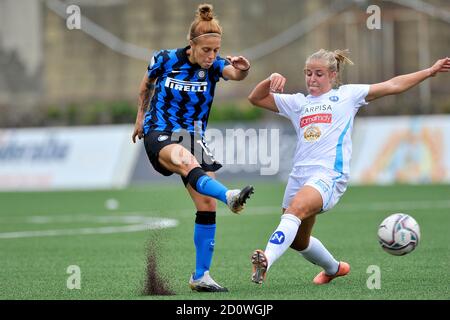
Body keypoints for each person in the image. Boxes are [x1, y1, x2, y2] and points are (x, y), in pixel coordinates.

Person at [248, 49, 450, 285]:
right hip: (299, 176)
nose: (312, 78)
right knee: (298, 241)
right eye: (308, 73)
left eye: (319, 74)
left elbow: (393, 85)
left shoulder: (348, 95)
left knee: (295, 211)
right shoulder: (297, 102)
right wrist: (269, 79)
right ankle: (334, 268)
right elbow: (256, 98)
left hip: (329, 175)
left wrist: (429, 71)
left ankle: (266, 261)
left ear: (333, 75)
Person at [132, 4, 254, 293]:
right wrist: (140, 118)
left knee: (205, 203)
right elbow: (145, 86)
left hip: (193, 138)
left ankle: (201, 276)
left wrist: (244, 70)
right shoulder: (165, 59)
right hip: (159, 131)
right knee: (185, 160)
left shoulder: (214, 67)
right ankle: (230, 195)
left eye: (216, 50)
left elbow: (236, 76)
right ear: (192, 44)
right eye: (206, 50)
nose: (211, 56)